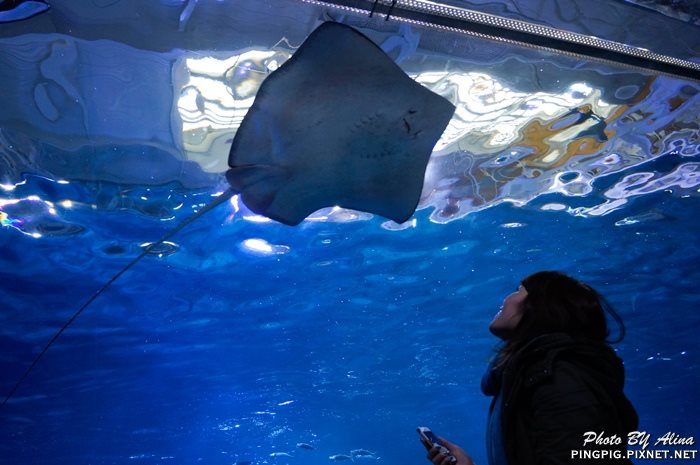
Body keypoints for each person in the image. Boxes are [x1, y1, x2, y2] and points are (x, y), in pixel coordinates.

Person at [424, 271, 639, 465]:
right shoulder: (526, 375)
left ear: (540, 307)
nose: (506, 298)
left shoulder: (559, 377)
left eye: (518, 291)